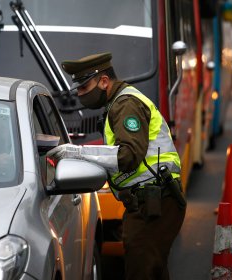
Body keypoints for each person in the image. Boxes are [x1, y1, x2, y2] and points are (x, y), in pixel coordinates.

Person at [47, 52, 186, 280]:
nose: (81, 95)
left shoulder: (125, 104)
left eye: (84, 87)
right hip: (149, 202)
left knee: (142, 272)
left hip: (155, 203)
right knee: (152, 270)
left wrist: (79, 153)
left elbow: (128, 156)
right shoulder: (117, 103)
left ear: (103, 81)